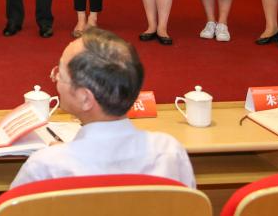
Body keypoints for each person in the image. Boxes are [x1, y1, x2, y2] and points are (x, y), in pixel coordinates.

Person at [10, 28, 195, 188]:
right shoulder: (169, 154)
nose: (55, 78)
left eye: (60, 73)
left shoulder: (45, 167)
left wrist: (59, 154)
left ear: (85, 98)